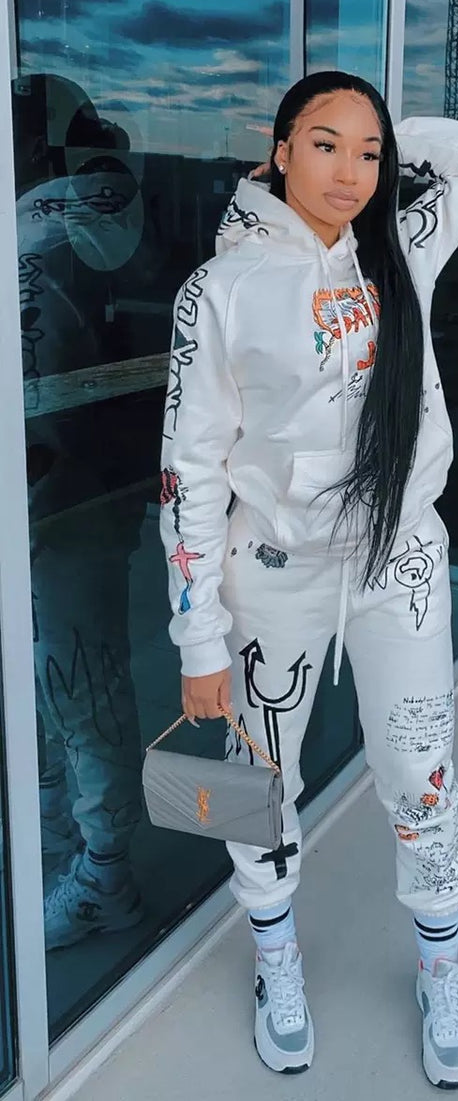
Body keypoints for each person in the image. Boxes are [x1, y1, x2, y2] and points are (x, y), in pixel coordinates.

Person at [159, 71, 458, 1087]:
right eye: (324, 144)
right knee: (253, 781)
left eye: (369, 153)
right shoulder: (219, 292)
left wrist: (382, 129)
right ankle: (276, 960)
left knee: (421, 771)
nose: (351, 172)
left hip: (400, 564)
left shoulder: (401, 250)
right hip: (272, 573)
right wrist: (197, 636)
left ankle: (441, 968)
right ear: (278, 153)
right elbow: (189, 474)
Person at [14, 73, 146, 949]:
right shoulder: (45, 218)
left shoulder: (85, 207)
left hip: (75, 498)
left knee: (79, 679)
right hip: (38, 493)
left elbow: (105, 219)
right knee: (41, 679)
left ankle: (105, 875)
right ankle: (56, 836)